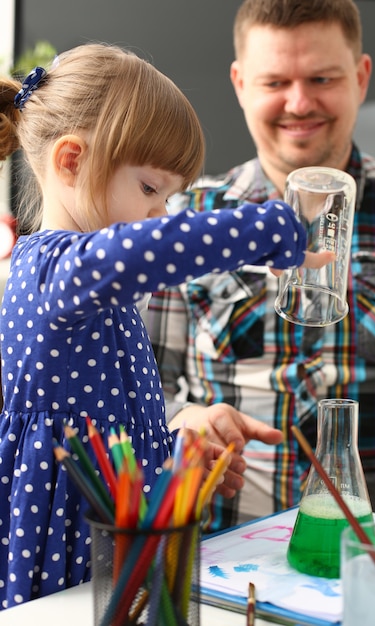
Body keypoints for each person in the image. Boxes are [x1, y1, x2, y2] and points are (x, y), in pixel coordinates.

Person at [0, 42, 333, 609]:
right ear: (71, 161)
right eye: (150, 189)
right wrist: (278, 228)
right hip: (59, 560)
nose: (159, 213)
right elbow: (156, 248)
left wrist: (176, 452)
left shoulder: (93, 288)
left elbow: (108, 434)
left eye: (168, 197)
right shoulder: (57, 269)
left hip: (118, 549)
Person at [144, 0, 375, 532]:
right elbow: (146, 398)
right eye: (274, 83)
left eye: (321, 77)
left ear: (360, 78)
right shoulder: (181, 221)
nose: (299, 102)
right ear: (241, 83)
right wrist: (183, 424)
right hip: (220, 568)